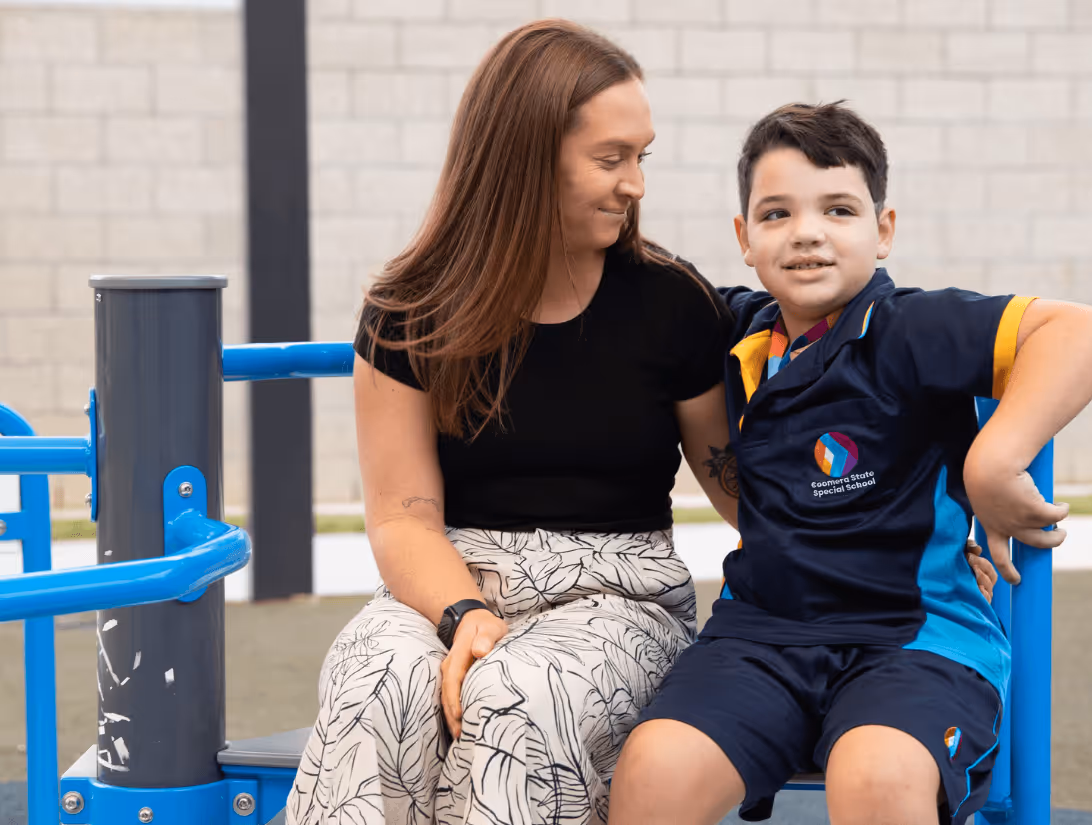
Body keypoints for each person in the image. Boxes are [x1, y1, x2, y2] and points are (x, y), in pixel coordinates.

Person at [286, 21, 998, 825]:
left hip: (613, 590)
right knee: (371, 678)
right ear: (528, 157)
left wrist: (901, 533)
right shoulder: (407, 311)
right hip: (446, 578)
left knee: (519, 695)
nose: (636, 185)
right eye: (611, 158)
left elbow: (750, 481)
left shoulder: (669, 303)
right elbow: (401, 515)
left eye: (641, 156)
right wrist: (465, 614)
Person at [609, 102, 1092, 825]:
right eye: (776, 213)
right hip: (762, 636)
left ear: (883, 231)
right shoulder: (732, 329)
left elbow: (1082, 329)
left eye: (839, 208)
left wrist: (992, 462)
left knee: (876, 778)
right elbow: (631, 280)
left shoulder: (910, 328)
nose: (807, 232)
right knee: (653, 774)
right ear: (745, 239)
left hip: (914, 640)